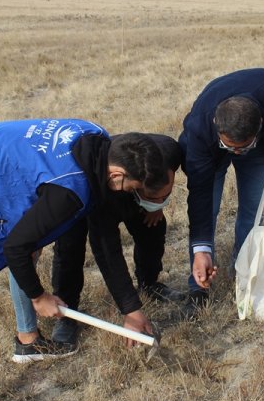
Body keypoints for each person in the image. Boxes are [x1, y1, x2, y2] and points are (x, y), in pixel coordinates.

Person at [0, 119, 166, 401]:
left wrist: (131, 309)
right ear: (116, 175)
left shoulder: (96, 140)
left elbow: (103, 242)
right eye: (132, 189)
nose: (129, 196)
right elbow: (14, 249)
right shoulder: (71, 189)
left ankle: (28, 341)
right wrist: (39, 297)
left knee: (30, 249)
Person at [178, 68, 264, 319]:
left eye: (241, 147)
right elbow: (200, 198)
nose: (234, 152)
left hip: (257, 146)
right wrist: (200, 249)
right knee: (208, 208)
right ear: (216, 124)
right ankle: (198, 286)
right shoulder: (199, 131)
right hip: (208, 149)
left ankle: (244, 272)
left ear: (259, 126)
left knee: (252, 212)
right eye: (229, 146)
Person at [54, 134, 187, 346]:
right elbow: (108, 253)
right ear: (137, 187)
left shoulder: (171, 151)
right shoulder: (105, 192)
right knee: (69, 248)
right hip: (83, 196)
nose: (160, 200)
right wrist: (130, 308)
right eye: (154, 198)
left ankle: (149, 283)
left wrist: (157, 205)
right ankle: (66, 313)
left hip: (135, 194)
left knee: (153, 230)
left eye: (165, 195)